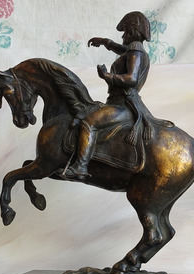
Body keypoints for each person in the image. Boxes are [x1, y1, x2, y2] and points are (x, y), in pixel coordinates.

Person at [62, 11, 153, 181]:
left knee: (89, 123)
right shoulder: (134, 50)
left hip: (123, 104)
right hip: (120, 102)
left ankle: (81, 166)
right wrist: (105, 43)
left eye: (125, 31)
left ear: (133, 32)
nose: (123, 36)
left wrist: (107, 76)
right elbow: (123, 50)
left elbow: (131, 78)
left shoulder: (136, 50)